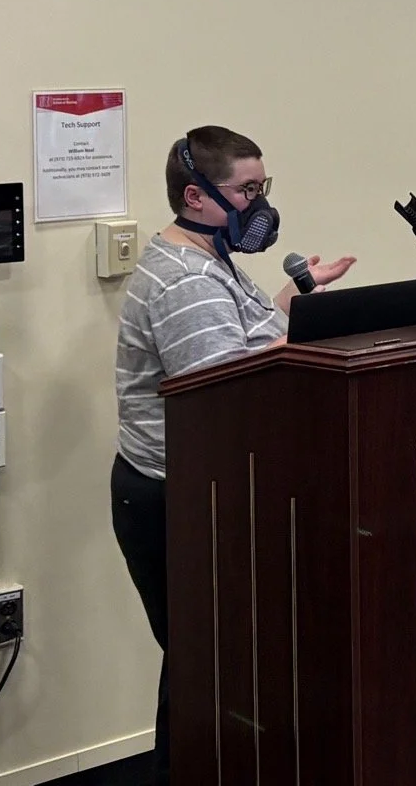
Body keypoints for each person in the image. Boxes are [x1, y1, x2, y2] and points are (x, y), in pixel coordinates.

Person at [112, 127, 355, 786]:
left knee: (207, 662)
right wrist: (303, 345)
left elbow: (241, 341)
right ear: (196, 194)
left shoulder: (208, 258)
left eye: (263, 188)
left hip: (197, 485)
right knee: (202, 665)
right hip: (174, 494)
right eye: (247, 190)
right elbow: (220, 392)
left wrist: (295, 307)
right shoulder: (184, 278)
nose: (260, 203)